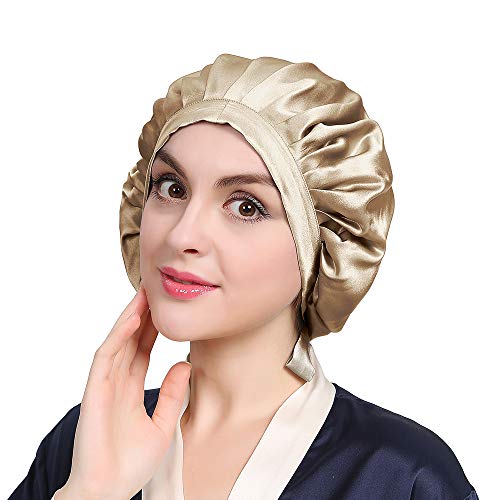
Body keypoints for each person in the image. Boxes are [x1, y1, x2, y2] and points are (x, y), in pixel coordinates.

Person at [9, 53, 478, 500]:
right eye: (172, 188)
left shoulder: (401, 476)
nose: (183, 234)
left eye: (246, 207)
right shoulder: (85, 444)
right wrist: (91, 493)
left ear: (325, 242)